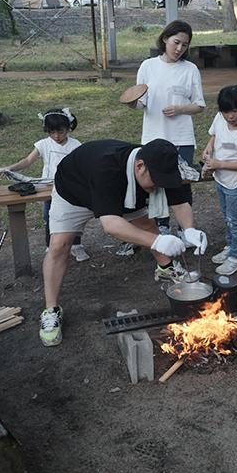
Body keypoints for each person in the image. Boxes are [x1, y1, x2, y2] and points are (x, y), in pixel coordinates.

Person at [39, 138, 207, 347]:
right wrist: (157, 241)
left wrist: (190, 230)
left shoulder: (161, 168)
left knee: (147, 226)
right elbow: (111, 225)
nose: (159, 186)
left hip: (122, 194)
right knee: (59, 246)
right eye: (155, 182)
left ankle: (167, 268)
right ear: (139, 166)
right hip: (75, 191)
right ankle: (51, 310)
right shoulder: (107, 168)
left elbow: (180, 203)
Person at [126, 20, 206, 245]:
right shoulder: (148, 66)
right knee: (156, 184)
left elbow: (199, 106)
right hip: (154, 138)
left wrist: (181, 108)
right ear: (164, 39)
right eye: (176, 42)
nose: (179, 49)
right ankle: (162, 227)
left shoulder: (190, 69)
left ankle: (185, 229)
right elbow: (141, 102)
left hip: (182, 139)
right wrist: (133, 104)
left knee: (182, 183)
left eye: (185, 45)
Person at [0, 108, 89, 262]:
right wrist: (12, 168)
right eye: (52, 132)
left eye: (60, 132)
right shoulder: (43, 144)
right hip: (49, 189)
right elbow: (28, 160)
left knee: (73, 217)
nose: (56, 136)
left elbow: (81, 165)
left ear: (68, 128)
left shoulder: (75, 145)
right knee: (50, 217)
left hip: (70, 189)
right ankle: (50, 246)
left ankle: (75, 245)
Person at [202, 85, 237, 276]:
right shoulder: (219, 119)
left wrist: (219, 163)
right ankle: (232, 246)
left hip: (235, 183)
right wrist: (209, 147)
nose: (230, 116)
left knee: (236, 220)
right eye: (226, 112)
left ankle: (236, 258)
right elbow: (214, 135)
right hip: (221, 179)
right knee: (227, 217)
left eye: (235, 111)